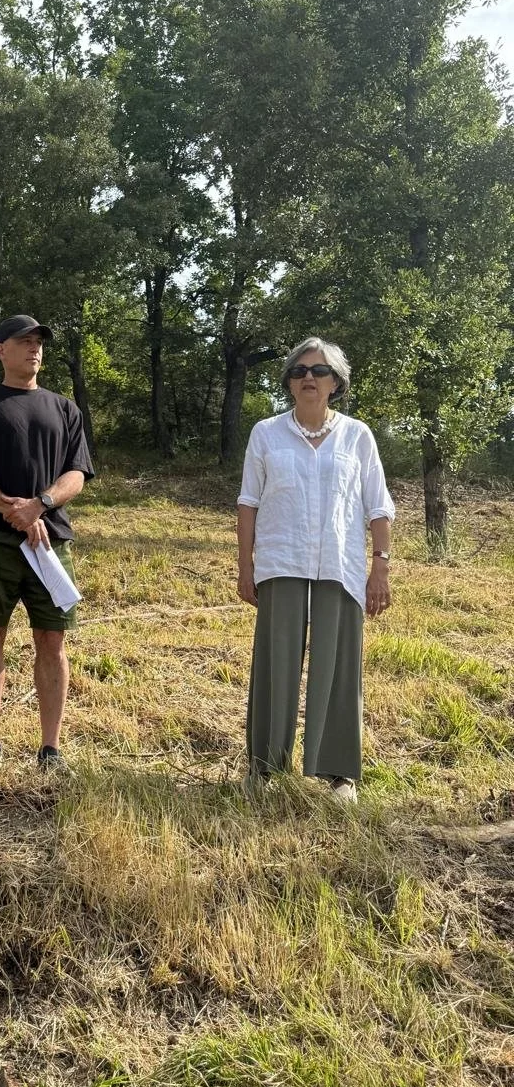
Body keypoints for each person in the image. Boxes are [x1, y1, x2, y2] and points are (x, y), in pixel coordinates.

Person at [236, 336, 394, 803]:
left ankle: (339, 773)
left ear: (335, 383)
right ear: (288, 381)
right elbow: (248, 502)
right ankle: (264, 767)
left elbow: (378, 506)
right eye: (300, 370)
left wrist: (380, 567)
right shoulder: (266, 433)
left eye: (319, 370)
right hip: (281, 561)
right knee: (275, 663)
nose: (309, 377)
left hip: (340, 567)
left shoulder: (357, 436)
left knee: (340, 666)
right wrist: (245, 566)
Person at [0, 314, 95, 772]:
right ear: (0, 350)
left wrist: (41, 504)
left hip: (51, 542)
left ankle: (51, 750)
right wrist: (12, 508)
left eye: (38, 342)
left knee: (52, 639)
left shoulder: (65, 409)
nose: (34, 349)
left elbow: (77, 473)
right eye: (24, 341)